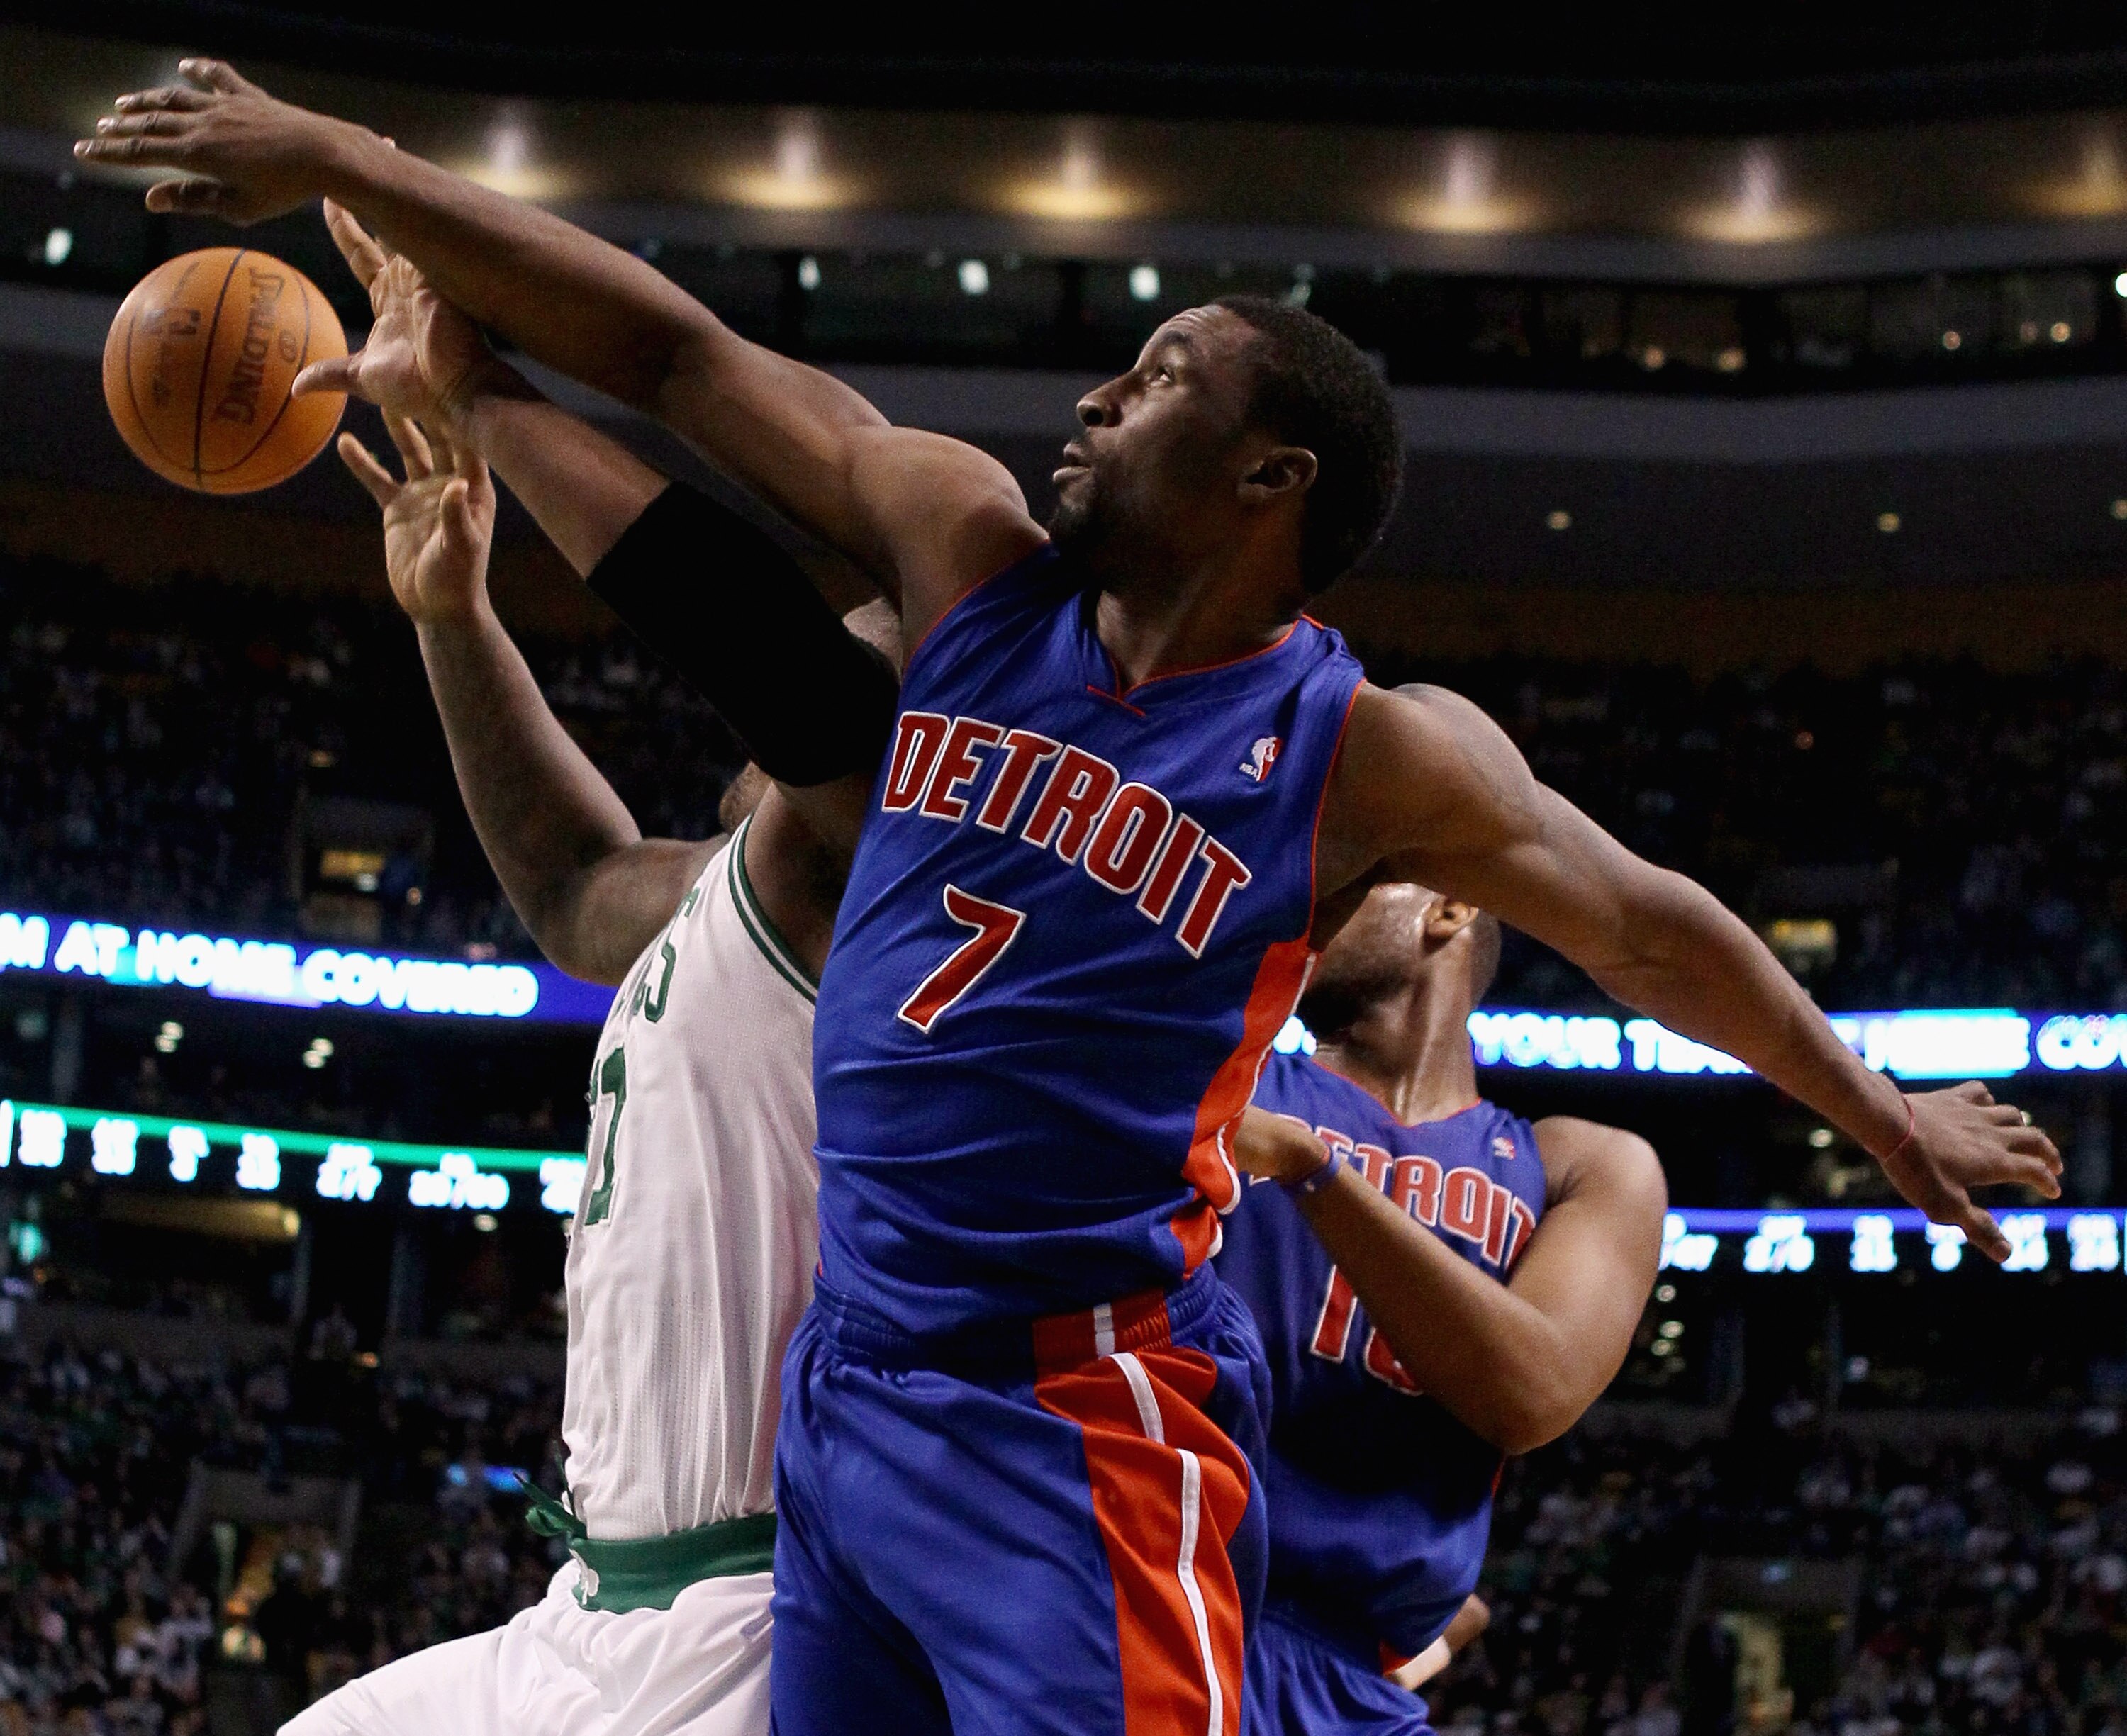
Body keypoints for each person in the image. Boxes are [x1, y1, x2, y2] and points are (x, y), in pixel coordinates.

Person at [79, 65, 2061, 1736]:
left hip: (1065, 1417)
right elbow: (680, 355)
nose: (1100, 397)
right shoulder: (967, 560)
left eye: (1159, 375)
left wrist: (1877, 1112)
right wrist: (357, 175)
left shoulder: (1359, 754)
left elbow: (1646, 926)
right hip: (849, 1394)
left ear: (1270, 477)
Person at [277, 209, 895, 1736]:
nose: (836, 643)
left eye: (862, 640)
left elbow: (772, 659)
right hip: (589, 1600)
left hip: (750, 1608)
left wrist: (487, 386)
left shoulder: (867, 879)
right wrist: (454, 617)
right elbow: (566, 884)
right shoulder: (717, 891)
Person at [1220, 877, 1667, 1732]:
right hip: (1149, 1601)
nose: (1312, 895)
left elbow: (1530, 1391)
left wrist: (1317, 1171)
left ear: (1452, 907)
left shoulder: (1579, 1166)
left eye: (1357, 878)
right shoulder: (1226, 1071)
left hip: (1345, 1678)